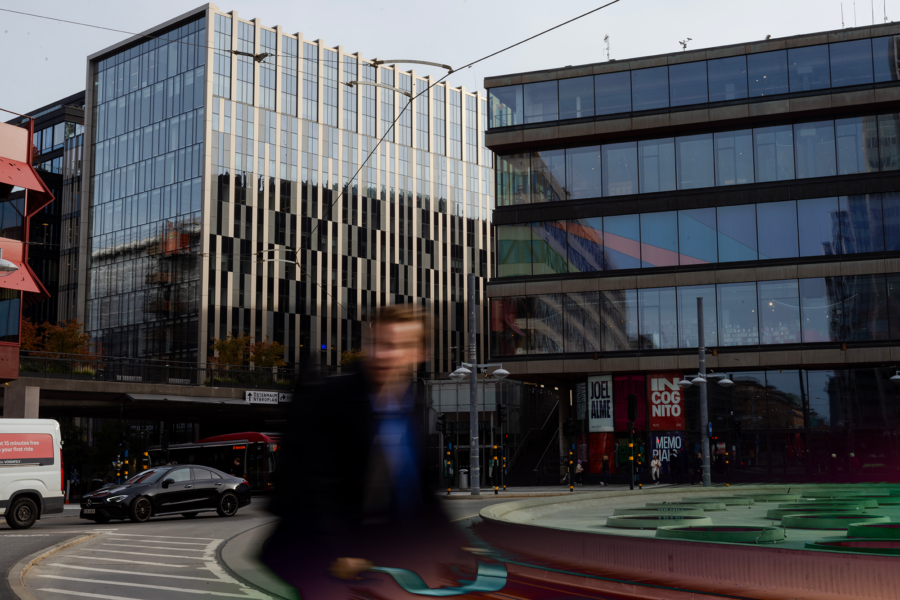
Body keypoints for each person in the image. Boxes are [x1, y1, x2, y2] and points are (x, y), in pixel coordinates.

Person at [262, 306, 468, 600]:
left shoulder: (410, 402)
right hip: (329, 567)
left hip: (391, 565)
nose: (383, 354)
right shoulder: (328, 397)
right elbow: (312, 487)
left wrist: (457, 549)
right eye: (379, 343)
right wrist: (341, 552)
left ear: (421, 352)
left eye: (397, 346)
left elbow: (419, 491)